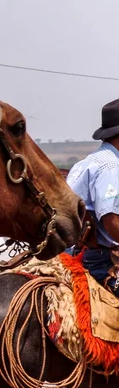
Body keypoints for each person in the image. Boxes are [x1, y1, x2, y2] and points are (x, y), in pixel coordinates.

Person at [67, 98, 119, 295]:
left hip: (77, 251)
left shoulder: (86, 163)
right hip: (101, 260)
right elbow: (112, 221)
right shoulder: (112, 167)